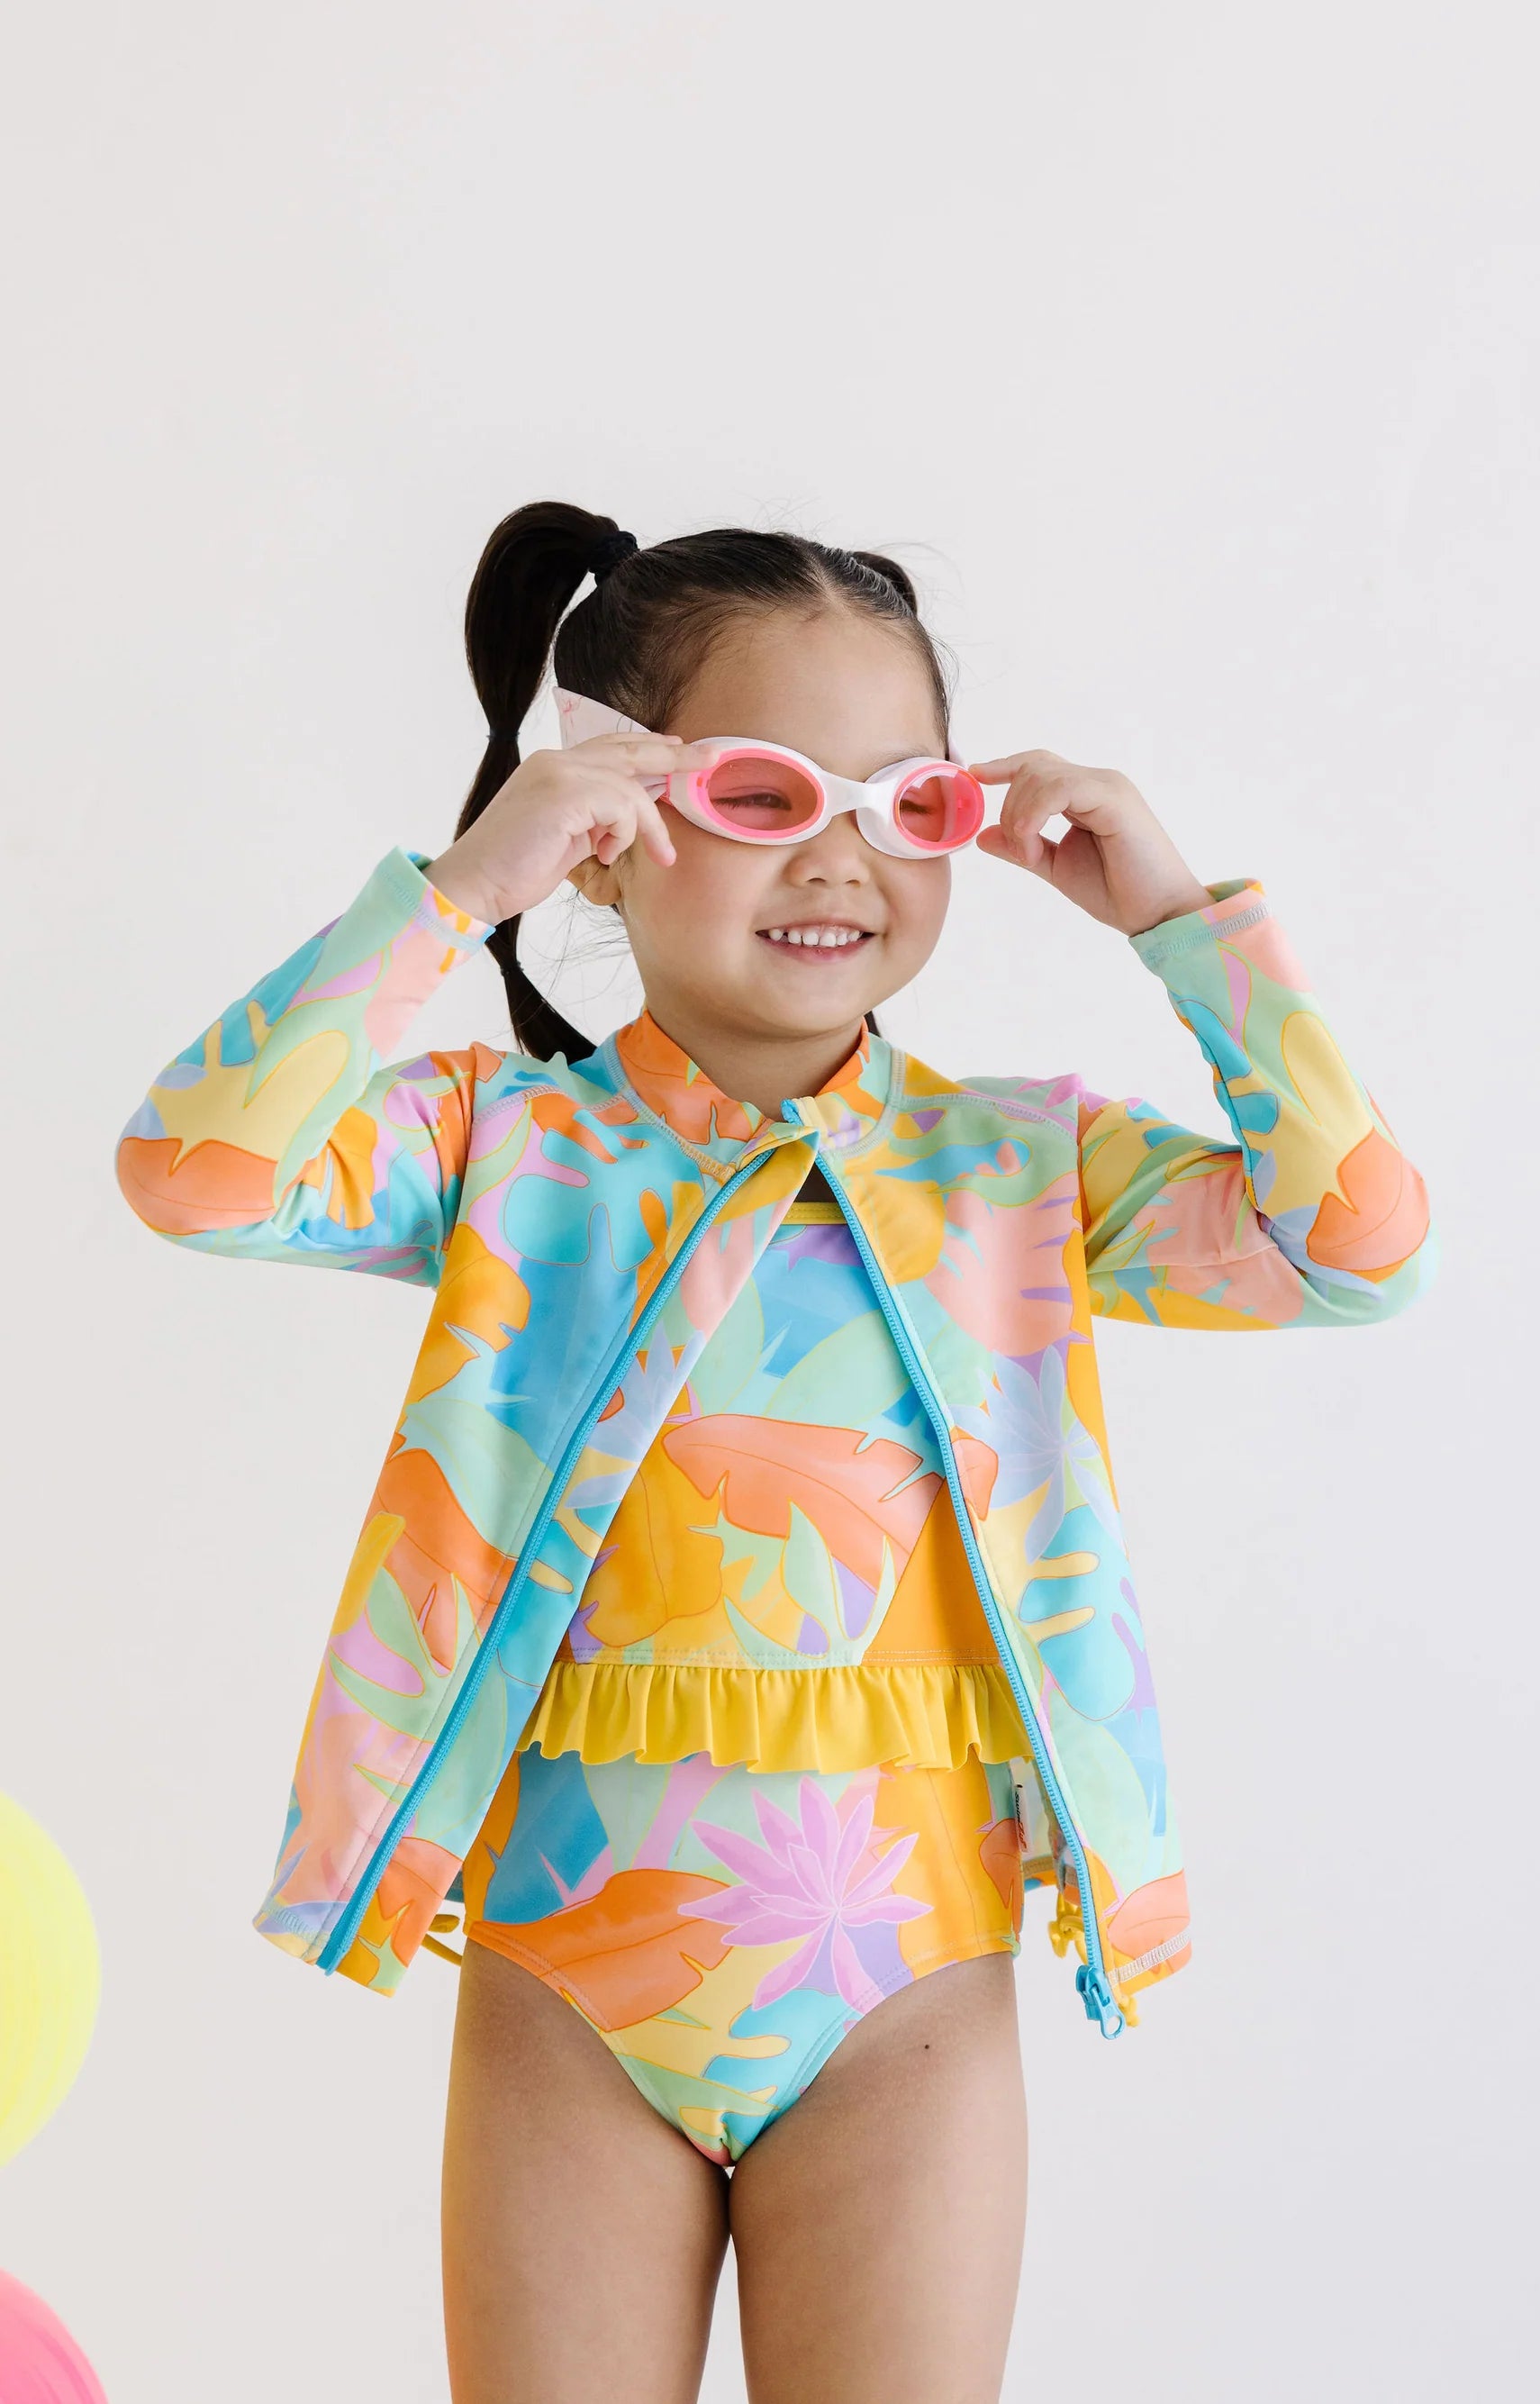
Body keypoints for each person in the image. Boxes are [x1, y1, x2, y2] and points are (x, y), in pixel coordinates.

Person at [114, 503, 1436, 2403]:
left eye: (906, 805)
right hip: (571, 1978)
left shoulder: (1024, 1172)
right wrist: (462, 889)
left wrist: (1180, 924)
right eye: (761, 792)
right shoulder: (512, 1154)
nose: (837, 857)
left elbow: (1357, 1250)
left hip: (903, 1989)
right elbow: (194, 1168)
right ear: (618, 810)